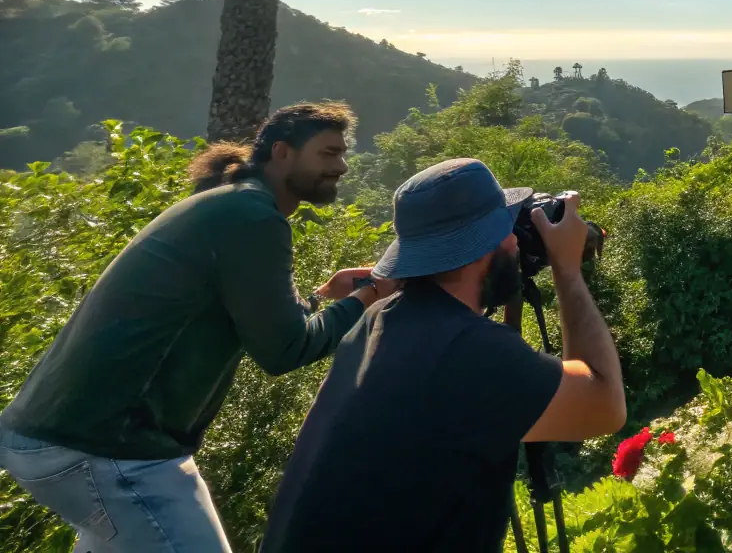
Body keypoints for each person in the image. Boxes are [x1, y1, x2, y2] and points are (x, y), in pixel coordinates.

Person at [0, 101, 387, 552]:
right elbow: (284, 350)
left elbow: (256, 315)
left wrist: (323, 298)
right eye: (327, 152)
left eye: (342, 153)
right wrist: (368, 300)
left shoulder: (231, 205)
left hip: (63, 437)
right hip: (107, 447)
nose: (341, 166)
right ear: (282, 152)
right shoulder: (252, 217)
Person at [260, 157, 627, 553]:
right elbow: (605, 406)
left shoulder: (378, 322)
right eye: (507, 230)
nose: (516, 242)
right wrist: (567, 270)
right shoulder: (472, 352)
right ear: (482, 248)